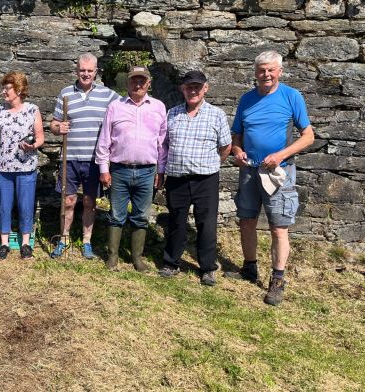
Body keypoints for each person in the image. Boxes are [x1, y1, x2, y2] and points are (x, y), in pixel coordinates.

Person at [229, 50, 315, 305]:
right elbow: (237, 136)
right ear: (255, 73)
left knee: (278, 227)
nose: (266, 75)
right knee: (246, 220)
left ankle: (277, 280)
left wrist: (280, 155)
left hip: (279, 173)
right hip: (249, 171)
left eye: (270, 70)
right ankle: (249, 267)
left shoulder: (291, 96)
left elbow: (308, 136)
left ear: (279, 72)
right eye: (261, 70)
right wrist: (237, 151)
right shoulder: (246, 99)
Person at [157, 70, 232, 286]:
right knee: (176, 222)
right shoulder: (172, 114)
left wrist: (213, 163)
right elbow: (164, 145)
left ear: (205, 88)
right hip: (177, 179)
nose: (193, 91)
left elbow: (226, 146)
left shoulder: (216, 115)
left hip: (205, 179)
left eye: (197, 87)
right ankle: (171, 263)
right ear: (182, 89)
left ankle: (207, 268)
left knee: (206, 225)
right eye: (189, 87)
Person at [95, 65, 168, 272]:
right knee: (116, 214)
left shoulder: (158, 107)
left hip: (147, 171)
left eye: (142, 81)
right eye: (134, 80)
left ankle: (137, 258)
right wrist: (103, 169)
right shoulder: (115, 107)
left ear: (149, 83)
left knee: (141, 216)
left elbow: (162, 143)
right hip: (119, 170)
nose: (138, 84)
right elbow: (104, 140)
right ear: (127, 82)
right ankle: (113, 256)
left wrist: (160, 170)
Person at [49, 53, 120, 259]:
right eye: (82, 70)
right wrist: (57, 127)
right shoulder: (65, 93)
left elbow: (125, 111)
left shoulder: (108, 95)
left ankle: (87, 241)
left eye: (90, 71)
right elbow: (53, 124)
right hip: (69, 157)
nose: (86, 74)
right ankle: (63, 239)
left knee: (90, 201)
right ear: (76, 71)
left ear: (96, 72)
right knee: (68, 200)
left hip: (94, 160)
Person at [0, 71, 45, 260]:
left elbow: (40, 137)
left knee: (25, 205)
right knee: (4, 205)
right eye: (3, 88)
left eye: (7, 88)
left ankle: (26, 243)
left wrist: (32, 145)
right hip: (3, 168)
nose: (4, 92)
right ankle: (4, 244)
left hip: (26, 167)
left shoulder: (32, 110)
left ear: (19, 90)